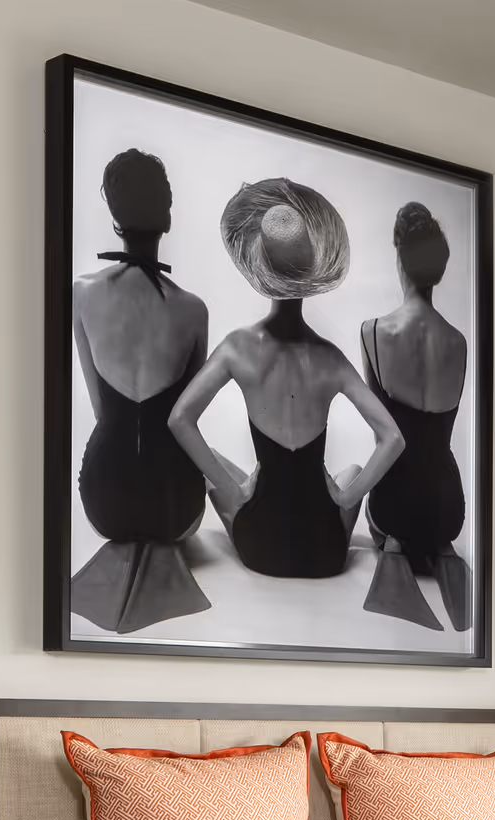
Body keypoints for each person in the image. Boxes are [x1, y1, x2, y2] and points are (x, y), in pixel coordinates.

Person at [167, 179, 404, 580]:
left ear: (261, 268)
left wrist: (238, 492)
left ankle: (253, 495)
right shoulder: (331, 358)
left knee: (214, 467)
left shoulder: (237, 347)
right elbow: (393, 438)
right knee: (349, 470)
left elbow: (179, 419)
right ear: (310, 272)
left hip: (261, 548)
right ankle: (321, 498)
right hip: (325, 551)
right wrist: (345, 496)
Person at [68, 150, 211, 630]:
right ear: (167, 214)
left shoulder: (80, 293)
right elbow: (185, 422)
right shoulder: (194, 310)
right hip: (175, 507)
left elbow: (99, 408)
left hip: (103, 502)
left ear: (115, 216)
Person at [360, 201, 472, 628]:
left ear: (399, 260)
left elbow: (384, 437)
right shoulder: (459, 343)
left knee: (385, 515)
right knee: (435, 520)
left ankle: (395, 546)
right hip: (449, 509)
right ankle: (441, 551)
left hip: (394, 505)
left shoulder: (373, 331)